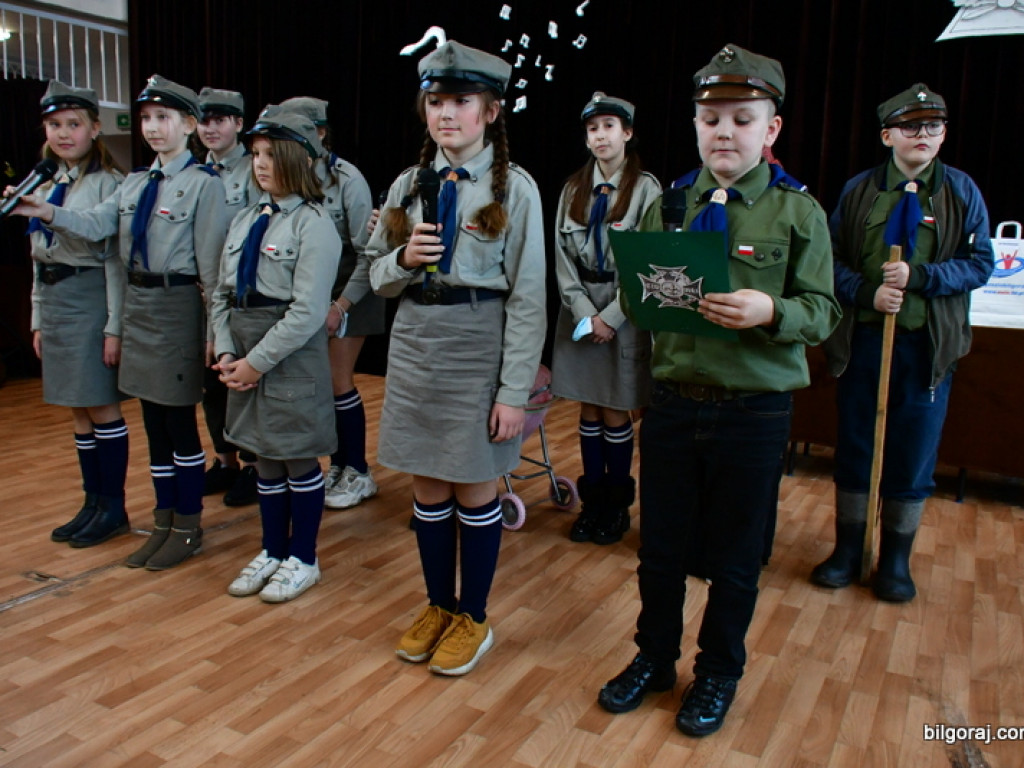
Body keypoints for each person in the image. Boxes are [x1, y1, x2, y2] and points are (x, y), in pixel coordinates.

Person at [597, 44, 839, 736]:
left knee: (736, 559)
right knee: (660, 551)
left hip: (753, 414)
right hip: (674, 406)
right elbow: (635, 293)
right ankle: (654, 657)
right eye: (710, 118)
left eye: (742, 117)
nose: (723, 132)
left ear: (772, 129)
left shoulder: (798, 213)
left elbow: (824, 311)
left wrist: (774, 312)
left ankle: (718, 672)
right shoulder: (668, 204)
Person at [367, 40, 545, 676]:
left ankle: (474, 614)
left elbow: (527, 300)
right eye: (436, 101)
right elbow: (375, 279)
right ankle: (437, 605)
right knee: (426, 481)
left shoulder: (515, 189)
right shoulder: (405, 185)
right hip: (416, 343)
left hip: (477, 344)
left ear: (491, 111)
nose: (446, 114)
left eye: (461, 102)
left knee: (473, 484)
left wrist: (512, 392)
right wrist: (401, 260)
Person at [11, 75, 230, 571]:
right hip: (140, 308)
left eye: (165, 118)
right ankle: (162, 520)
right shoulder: (133, 183)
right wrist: (45, 210)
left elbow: (214, 270)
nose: (154, 128)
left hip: (178, 307)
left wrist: (214, 334)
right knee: (153, 424)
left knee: (178, 423)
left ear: (190, 125)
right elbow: (95, 227)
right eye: (148, 118)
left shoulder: (203, 185)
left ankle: (189, 524)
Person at [812, 83, 993, 602]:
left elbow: (980, 264)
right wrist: (868, 293)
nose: (923, 135)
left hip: (926, 348)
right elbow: (831, 264)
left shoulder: (960, 192)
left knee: (912, 452)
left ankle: (894, 558)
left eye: (933, 127)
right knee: (856, 447)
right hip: (865, 342)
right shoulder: (860, 191)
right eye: (911, 127)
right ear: (888, 134)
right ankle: (848, 549)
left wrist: (920, 278)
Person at [212, 107, 341, 602]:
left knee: (296, 457)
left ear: (299, 160)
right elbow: (223, 293)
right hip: (243, 350)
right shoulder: (246, 219)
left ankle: (303, 557)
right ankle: (271, 548)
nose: (260, 164)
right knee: (264, 456)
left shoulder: (314, 225)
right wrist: (226, 351)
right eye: (256, 154)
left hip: (287, 354)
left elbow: (307, 312)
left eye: (272, 155)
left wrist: (255, 363)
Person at [3, 80, 129, 547]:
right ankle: (91, 501)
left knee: (100, 404)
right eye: (54, 125)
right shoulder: (47, 181)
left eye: (73, 125)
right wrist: (37, 319)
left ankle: (112, 507)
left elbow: (104, 243)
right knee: (77, 409)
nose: (63, 134)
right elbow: (38, 254)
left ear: (95, 129)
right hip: (56, 304)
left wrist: (114, 327)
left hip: (90, 299)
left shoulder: (111, 184)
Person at [550, 91, 660, 545]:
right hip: (580, 308)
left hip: (625, 307)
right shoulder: (574, 187)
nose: (599, 136)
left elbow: (649, 260)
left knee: (617, 410)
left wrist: (611, 317)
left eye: (609, 127)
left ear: (628, 133)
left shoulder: (646, 188)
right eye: (592, 128)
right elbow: (560, 258)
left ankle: (616, 506)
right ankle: (592, 504)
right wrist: (583, 313)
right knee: (588, 409)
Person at [277, 97, 381, 510]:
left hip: (351, 287)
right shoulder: (286, 179)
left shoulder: (346, 179)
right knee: (316, 382)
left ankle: (356, 470)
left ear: (320, 134)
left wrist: (340, 304)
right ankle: (335, 465)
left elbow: (368, 252)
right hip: (311, 289)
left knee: (339, 380)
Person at [196, 86, 260, 507]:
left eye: (220, 120)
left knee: (243, 381)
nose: (211, 128)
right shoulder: (194, 174)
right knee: (210, 382)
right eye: (204, 120)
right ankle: (225, 460)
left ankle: (255, 466)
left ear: (238, 123)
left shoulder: (255, 171)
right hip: (200, 296)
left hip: (239, 296)